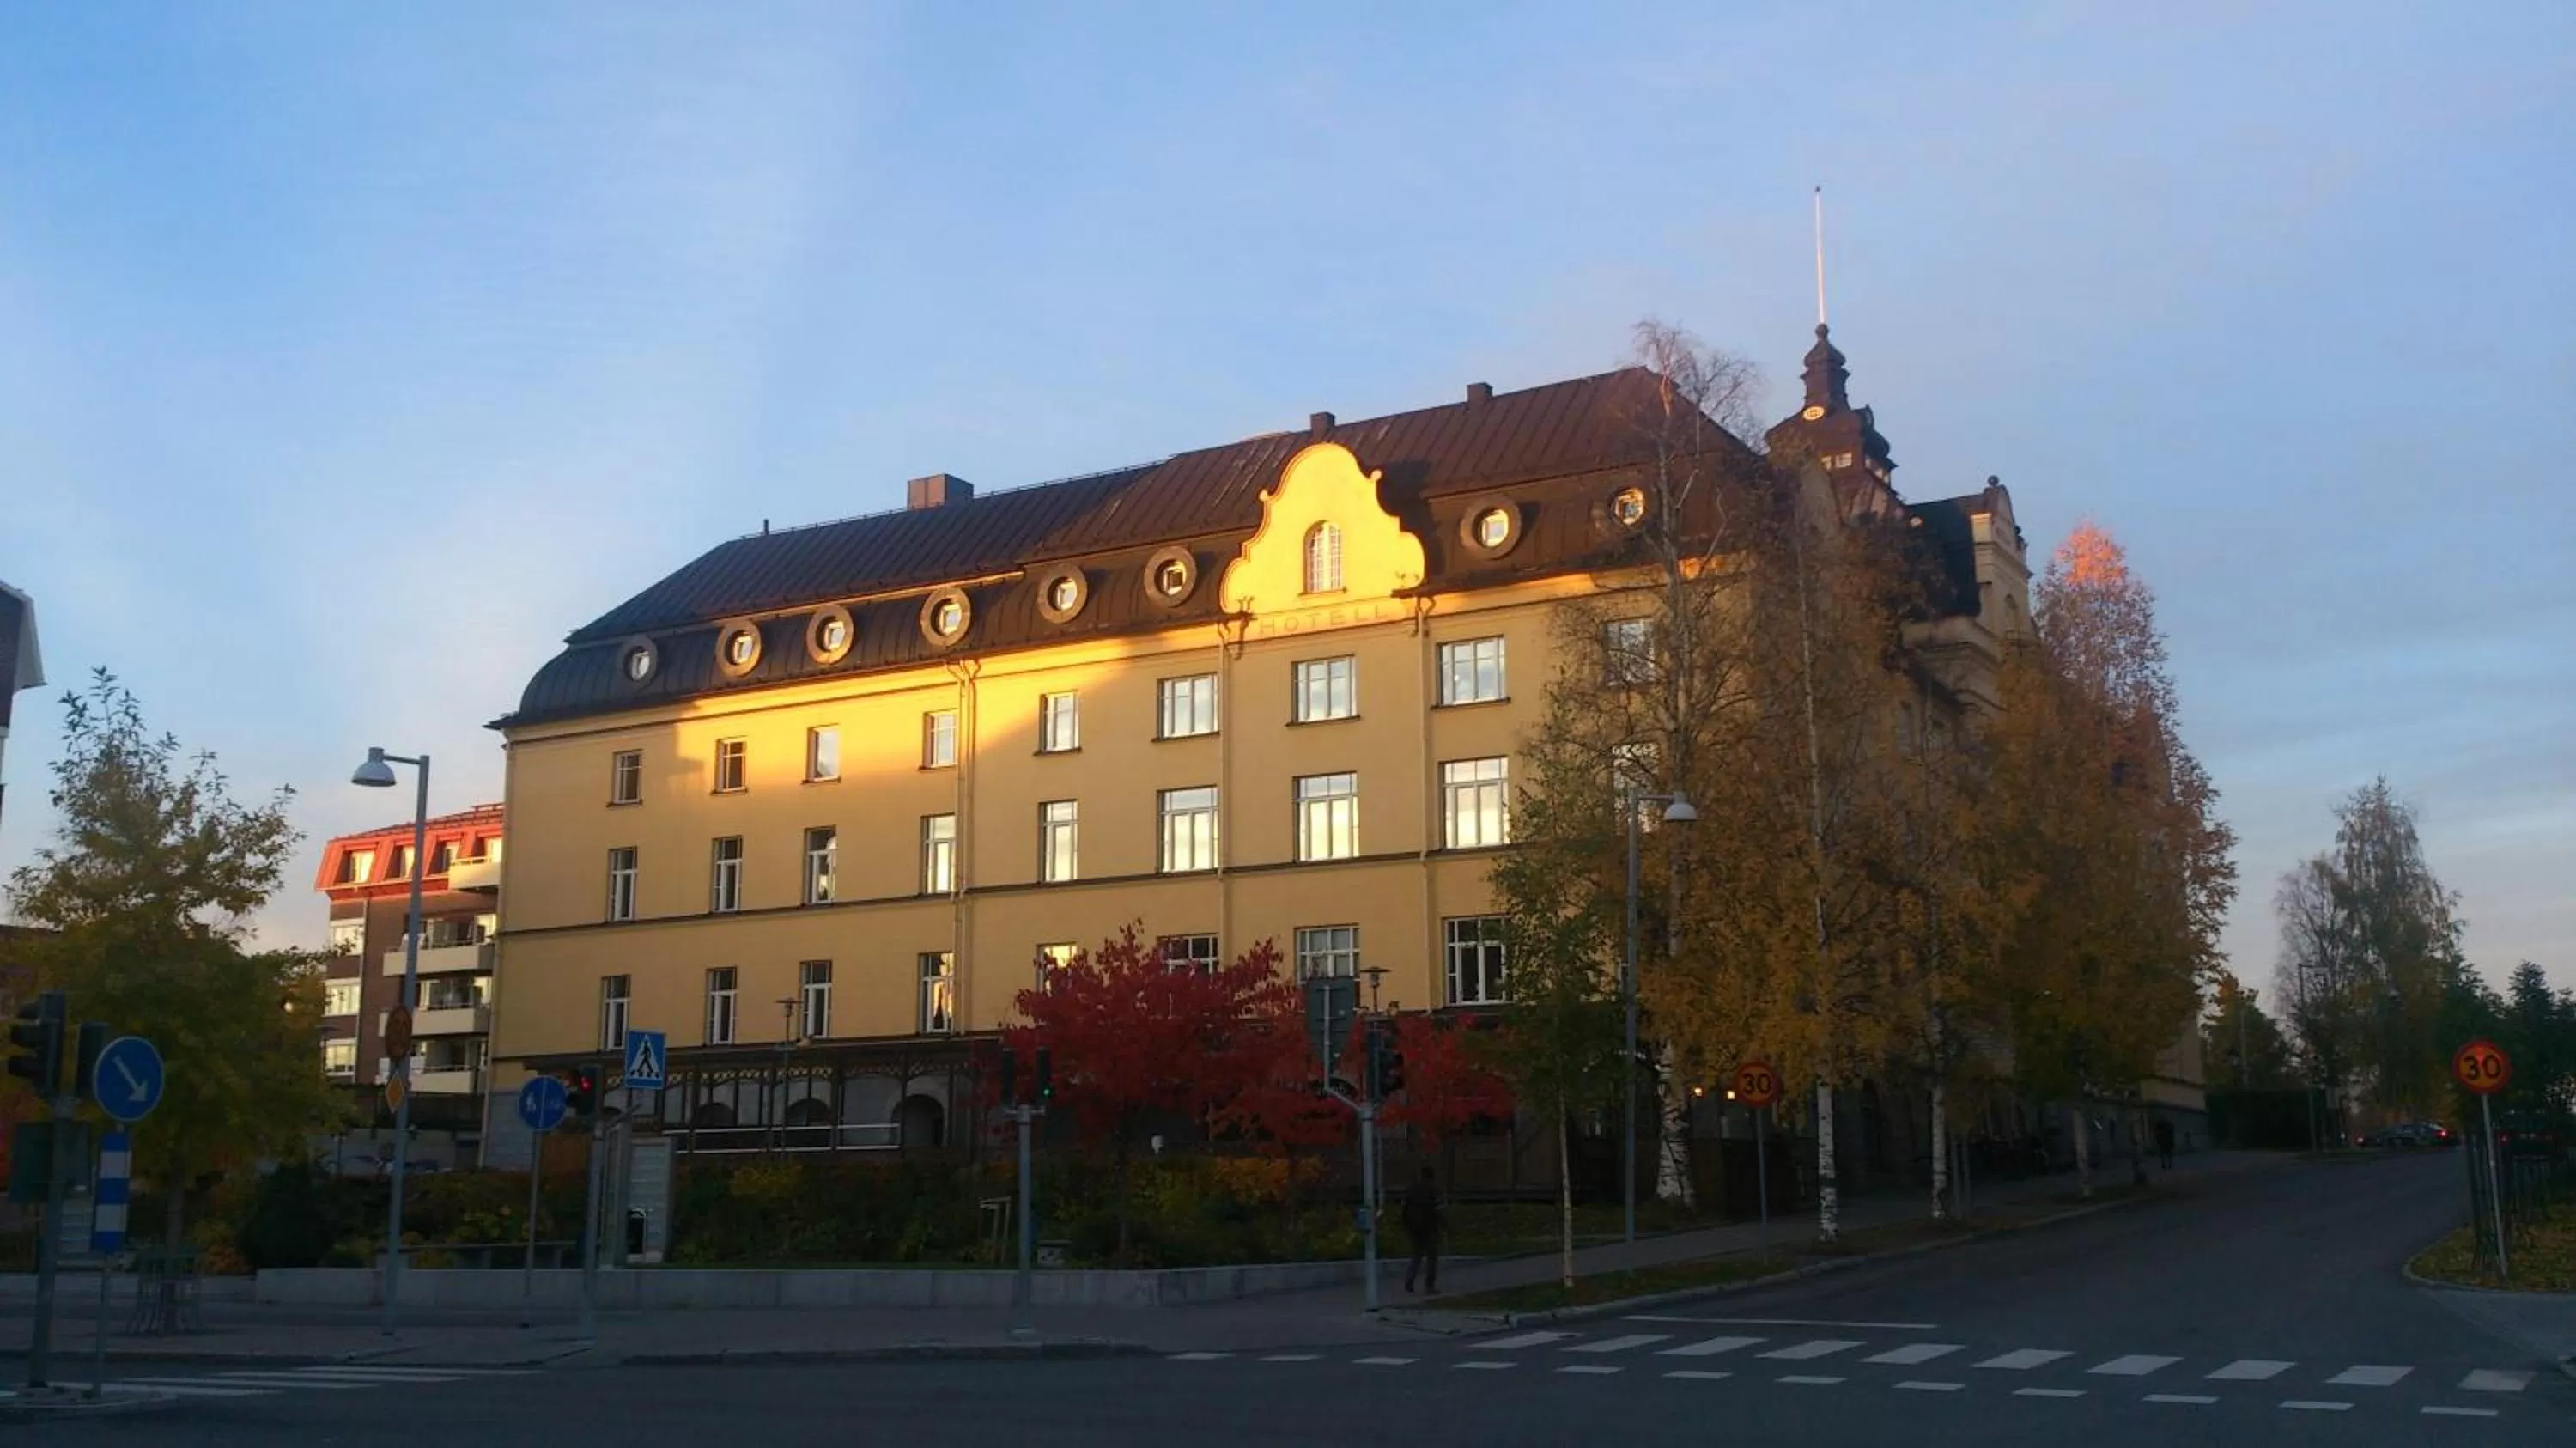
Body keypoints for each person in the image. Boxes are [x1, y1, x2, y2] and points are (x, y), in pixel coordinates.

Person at [1400, 1165, 1444, 1294]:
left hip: (1414, 1228)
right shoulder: (1434, 1190)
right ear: (1432, 1176)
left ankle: (1409, 1280)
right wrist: (1445, 1225)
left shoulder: (1411, 1189)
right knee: (1432, 1257)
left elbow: (1404, 1209)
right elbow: (1439, 1209)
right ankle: (1429, 1286)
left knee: (1416, 1255)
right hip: (1429, 1228)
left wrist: (1406, 1225)